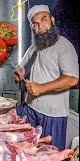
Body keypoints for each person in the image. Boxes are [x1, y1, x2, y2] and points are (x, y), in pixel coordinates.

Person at [14, 5, 79, 150]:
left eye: (44, 20)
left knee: (50, 156)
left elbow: (72, 79)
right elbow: (22, 68)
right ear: (33, 28)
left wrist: (41, 88)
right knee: (21, 149)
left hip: (53, 114)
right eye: (35, 24)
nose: (41, 26)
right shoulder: (34, 47)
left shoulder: (64, 47)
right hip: (30, 108)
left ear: (52, 20)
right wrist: (18, 74)